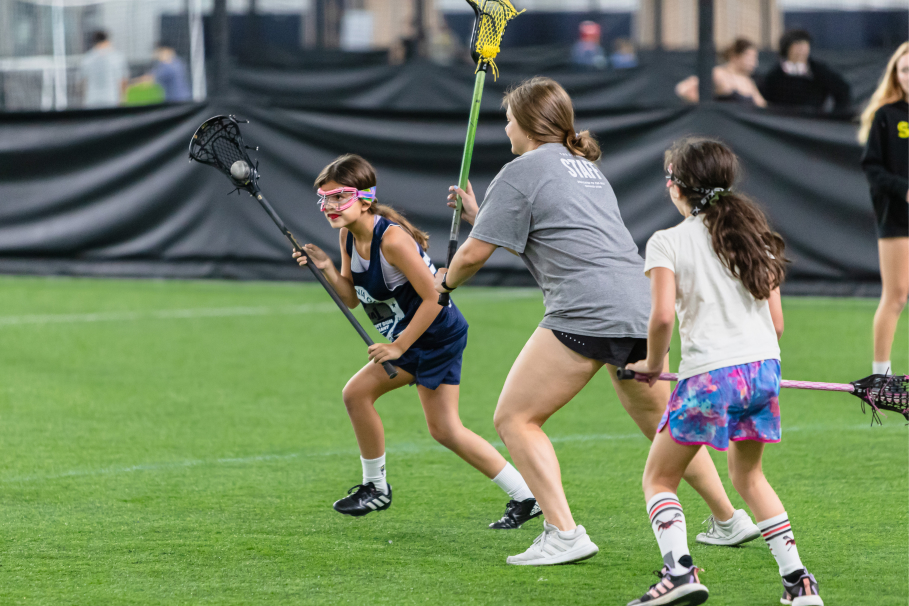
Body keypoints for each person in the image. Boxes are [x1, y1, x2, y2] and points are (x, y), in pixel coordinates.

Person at [434, 77, 760, 566]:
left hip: (587, 311)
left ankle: (563, 532)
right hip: (640, 306)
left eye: (507, 120)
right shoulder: (585, 168)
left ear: (525, 123)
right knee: (664, 424)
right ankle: (729, 519)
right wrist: (483, 214)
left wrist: (444, 284)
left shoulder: (519, 170)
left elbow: (475, 254)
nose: (504, 129)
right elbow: (537, 224)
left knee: (515, 418)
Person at [292, 154, 539, 529]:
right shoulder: (347, 236)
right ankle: (524, 496)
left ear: (365, 198)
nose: (329, 206)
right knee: (430, 424)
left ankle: (378, 488)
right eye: (324, 199)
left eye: (338, 197)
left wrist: (399, 347)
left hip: (435, 335)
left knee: (400, 411)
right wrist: (325, 268)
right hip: (417, 337)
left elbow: (434, 300)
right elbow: (352, 298)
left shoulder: (391, 240)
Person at [626, 138, 823, 606]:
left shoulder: (666, 241)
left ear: (676, 186)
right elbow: (776, 323)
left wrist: (653, 366)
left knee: (658, 479)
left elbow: (660, 319)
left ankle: (679, 573)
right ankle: (799, 583)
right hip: (763, 371)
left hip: (710, 377)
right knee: (749, 477)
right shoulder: (753, 233)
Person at [859, 42, 909, 377]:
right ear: (896, 75)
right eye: (904, 70)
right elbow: (872, 168)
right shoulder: (886, 116)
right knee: (896, 295)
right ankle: (881, 376)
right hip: (897, 218)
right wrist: (904, 190)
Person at [760, 30, 851, 112]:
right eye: (797, 45)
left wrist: (836, 115)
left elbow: (842, 90)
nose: (802, 50)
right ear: (787, 48)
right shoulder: (775, 75)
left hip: (812, 121)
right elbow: (765, 99)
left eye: (805, 45)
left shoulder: (818, 70)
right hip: (784, 121)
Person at [676, 38, 767, 107]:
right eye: (750, 58)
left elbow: (762, 106)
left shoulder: (748, 81)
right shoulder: (719, 73)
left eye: (755, 58)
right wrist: (707, 108)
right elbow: (682, 89)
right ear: (735, 56)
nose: (754, 63)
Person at [79, 30, 128, 109]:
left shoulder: (86, 59)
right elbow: (123, 80)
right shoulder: (117, 57)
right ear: (107, 40)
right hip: (111, 99)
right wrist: (123, 99)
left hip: (91, 100)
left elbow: (82, 83)